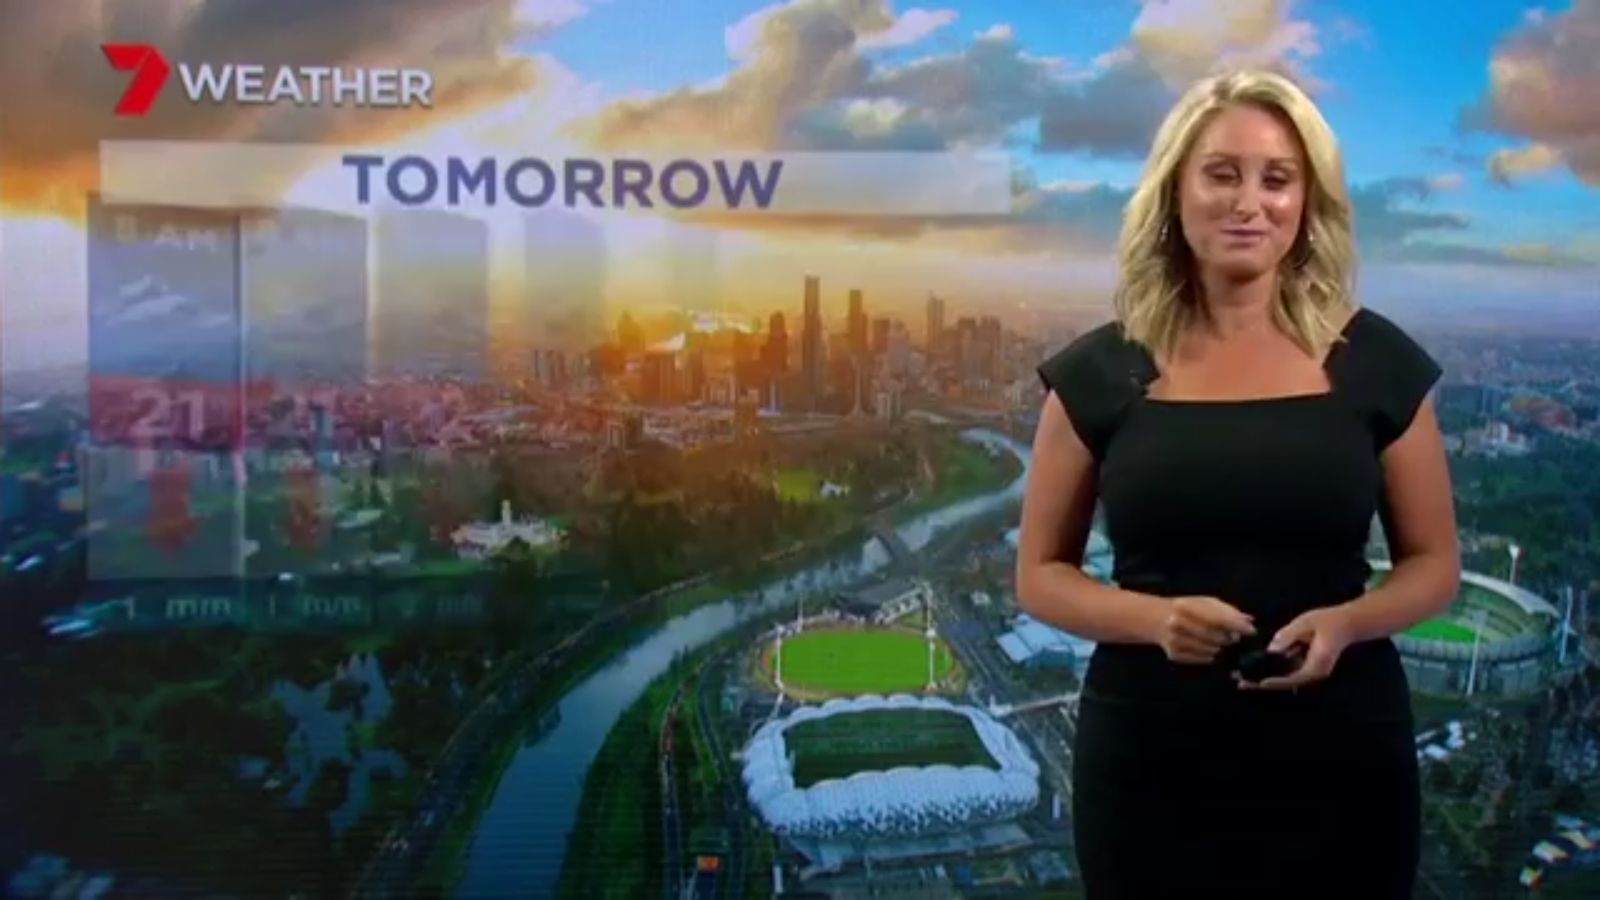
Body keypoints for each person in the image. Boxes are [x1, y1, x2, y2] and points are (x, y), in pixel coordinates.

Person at [1016, 69, 1461, 899]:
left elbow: (1434, 564)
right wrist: (1156, 621)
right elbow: (1039, 574)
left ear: (1307, 202)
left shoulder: (1376, 364)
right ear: (1174, 192)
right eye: (1222, 174)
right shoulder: (1099, 372)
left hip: (1342, 753)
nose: (1249, 203)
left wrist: (1347, 624)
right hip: (1151, 763)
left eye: (1277, 179)